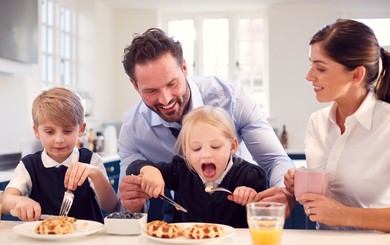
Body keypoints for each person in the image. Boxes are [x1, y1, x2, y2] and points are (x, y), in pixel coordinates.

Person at [119, 27, 294, 218]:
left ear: (184, 68)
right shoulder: (132, 129)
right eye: (151, 91)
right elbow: (127, 194)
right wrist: (133, 204)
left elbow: (274, 160)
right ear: (135, 85)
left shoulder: (234, 99)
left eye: (172, 84)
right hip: (183, 220)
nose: (166, 99)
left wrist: (283, 192)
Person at [284, 19, 390, 232]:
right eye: (311, 64)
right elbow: (325, 194)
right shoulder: (317, 122)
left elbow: (337, 210)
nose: (309, 76)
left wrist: (344, 215)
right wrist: (296, 186)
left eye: (320, 68)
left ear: (356, 75)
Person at [126, 106, 268, 228]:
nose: (206, 154)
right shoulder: (180, 170)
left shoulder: (250, 175)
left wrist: (253, 199)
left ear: (232, 147)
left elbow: (267, 216)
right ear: (186, 152)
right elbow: (133, 167)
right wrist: (149, 170)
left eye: (215, 146)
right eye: (196, 148)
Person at [2, 87, 118, 223]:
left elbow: (110, 206)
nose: (59, 140)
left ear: (81, 129)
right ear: (36, 131)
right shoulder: (29, 165)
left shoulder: (91, 160)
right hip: (45, 238)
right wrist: (18, 201)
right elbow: (6, 201)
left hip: (88, 240)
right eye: (50, 132)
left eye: (67, 131)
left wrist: (95, 174)